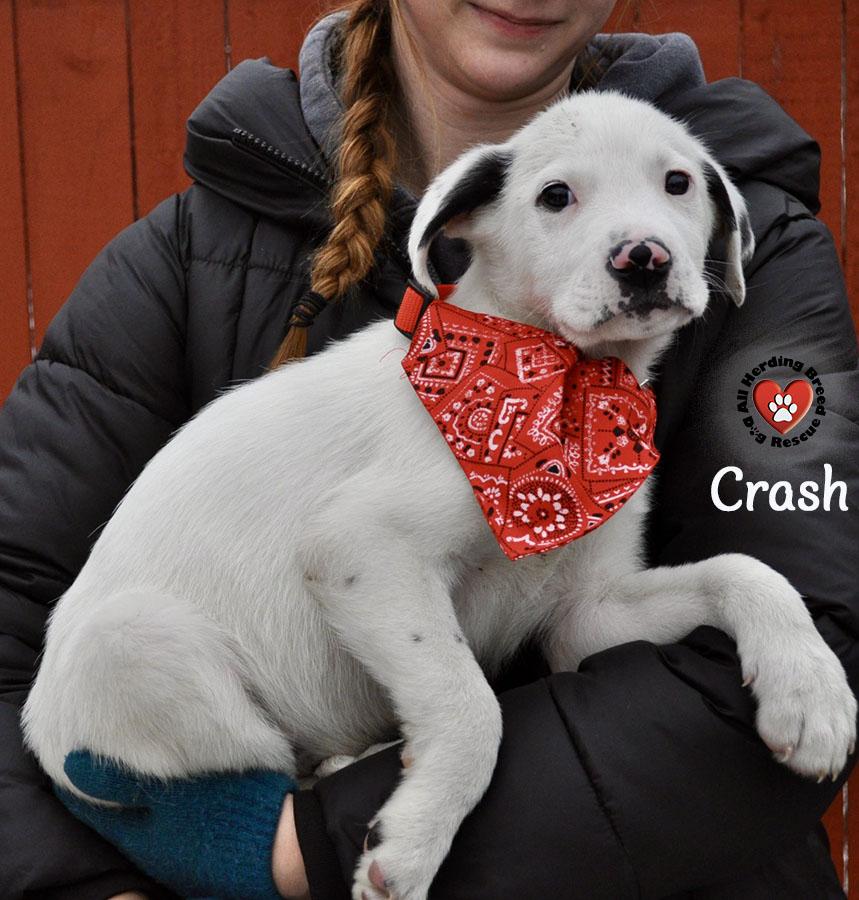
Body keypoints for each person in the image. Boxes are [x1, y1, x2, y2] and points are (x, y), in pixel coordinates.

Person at [2, 0, 858, 897]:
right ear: (459, 234)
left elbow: (589, 622)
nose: (640, 246)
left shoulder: (693, 335)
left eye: (677, 187)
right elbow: (349, 552)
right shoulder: (210, 271)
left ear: (723, 220)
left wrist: (747, 595)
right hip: (164, 703)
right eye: (560, 198)